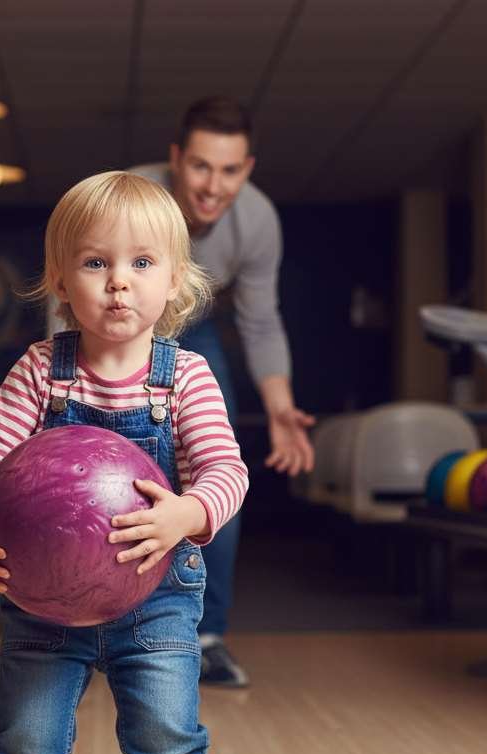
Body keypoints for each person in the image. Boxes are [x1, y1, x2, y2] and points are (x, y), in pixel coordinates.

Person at [0, 171, 248, 754]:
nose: (119, 284)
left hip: (158, 601)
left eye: (143, 264)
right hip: (44, 603)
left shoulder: (186, 378)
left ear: (176, 280)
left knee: (169, 744)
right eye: (95, 263)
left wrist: (186, 512)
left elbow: (225, 471)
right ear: (59, 280)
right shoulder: (39, 372)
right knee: (24, 744)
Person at [132, 96, 315, 688]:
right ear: (176, 160)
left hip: (195, 323)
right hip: (116, 318)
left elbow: (260, 320)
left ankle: (206, 636)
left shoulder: (257, 221)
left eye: (230, 170)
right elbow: (72, 289)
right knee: (111, 465)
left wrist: (280, 407)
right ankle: (95, 623)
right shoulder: (133, 197)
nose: (214, 186)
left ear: (248, 168)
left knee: (216, 464)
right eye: (201, 167)